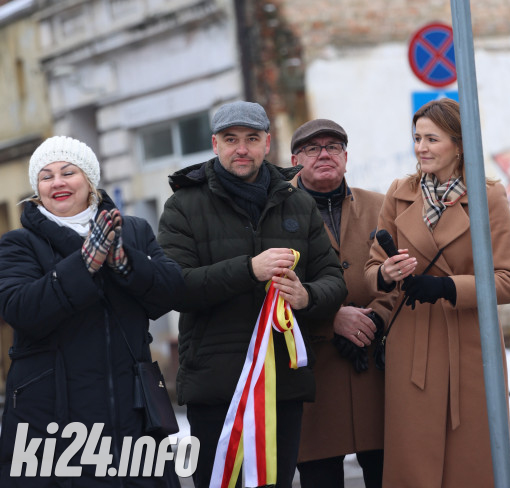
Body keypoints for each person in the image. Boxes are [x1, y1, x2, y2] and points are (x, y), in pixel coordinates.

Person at [157, 101, 346, 488]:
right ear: (215, 144)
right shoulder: (183, 206)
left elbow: (333, 279)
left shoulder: (298, 203)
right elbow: (174, 287)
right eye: (230, 139)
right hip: (216, 386)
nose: (241, 148)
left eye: (251, 139)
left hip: (282, 386)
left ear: (266, 143)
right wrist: (249, 270)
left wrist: (304, 296)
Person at [0, 135, 185, 487]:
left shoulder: (133, 231)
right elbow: (20, 309)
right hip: (52, 418)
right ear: (37, 189)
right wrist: (85, 263)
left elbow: (171, 291)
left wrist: (124, 262)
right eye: (46, 176)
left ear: (89, 180)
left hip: (133, 413)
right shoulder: (19, 243)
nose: (57, 182)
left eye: (68, 172)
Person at [364, 98, 510, 488]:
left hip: (469, 345)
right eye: (417, 138)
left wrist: (447, 286)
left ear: (459, 144)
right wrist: (385, 272)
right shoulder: (398, 192)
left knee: (471, 462)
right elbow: (370, 271)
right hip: (412, 343)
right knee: (415, 461)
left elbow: (507, 278)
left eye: (432, 138)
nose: (421, 148)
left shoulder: (488, 196)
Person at [290, 118, 392, 488]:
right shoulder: (275, 210)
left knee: (386, 474)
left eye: (333, 147)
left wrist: (377, 318)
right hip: (311, 375)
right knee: (320, 478)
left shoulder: (381, 206)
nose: (324, 155)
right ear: (294, 159)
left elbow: (399, 277)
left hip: (375, 372)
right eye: (312, 149)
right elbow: (264, 292)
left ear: (346, 157)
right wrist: (329, 319)